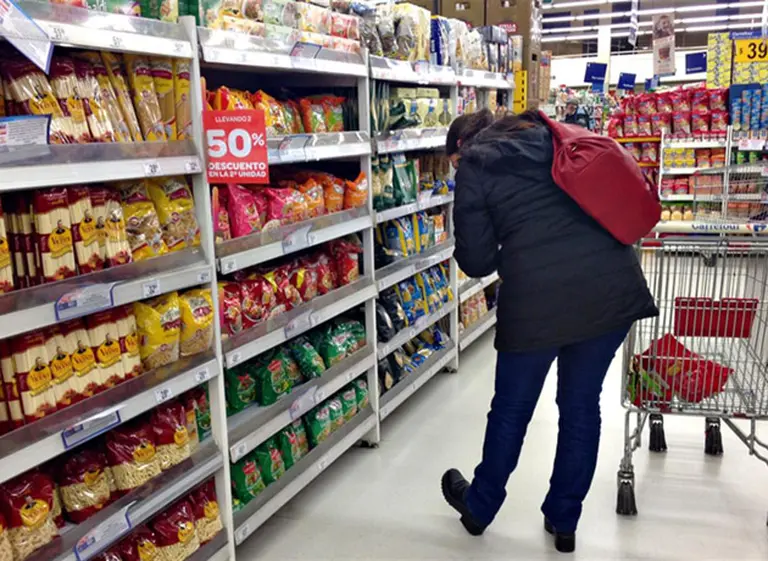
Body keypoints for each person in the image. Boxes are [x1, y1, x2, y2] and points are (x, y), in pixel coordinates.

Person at [441, 109, 658, 553]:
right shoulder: (550, 135)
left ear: (461, 149)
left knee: (511, 409)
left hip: (535, 301)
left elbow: (476, 261)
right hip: (610, 291)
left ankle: (479, 507)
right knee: (581, 407)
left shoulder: (475, 165)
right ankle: (564, 520)